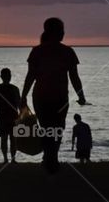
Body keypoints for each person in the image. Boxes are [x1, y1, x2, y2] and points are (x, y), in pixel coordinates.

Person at [21, 17, 87, 173]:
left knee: (46, 128)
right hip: (59, 97)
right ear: (56, 32)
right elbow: (74, 77)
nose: (63, 33)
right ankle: (52, 157)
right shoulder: (67, 52)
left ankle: (49, 157)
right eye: (62, 30)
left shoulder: (37, 51)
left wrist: (24, 95)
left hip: (41, 96)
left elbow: (31, 76)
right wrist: (81, 95)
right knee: (57, 128)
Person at [0, 68, 22, 163]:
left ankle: (5, 159)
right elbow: (19, 103)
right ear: (10, 77)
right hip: (13, 117)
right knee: (13, 139)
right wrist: (22, 115)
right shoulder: (15, 89)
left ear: (1, 77)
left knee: (4, 138)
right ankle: (12, 159)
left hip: (3, 117)